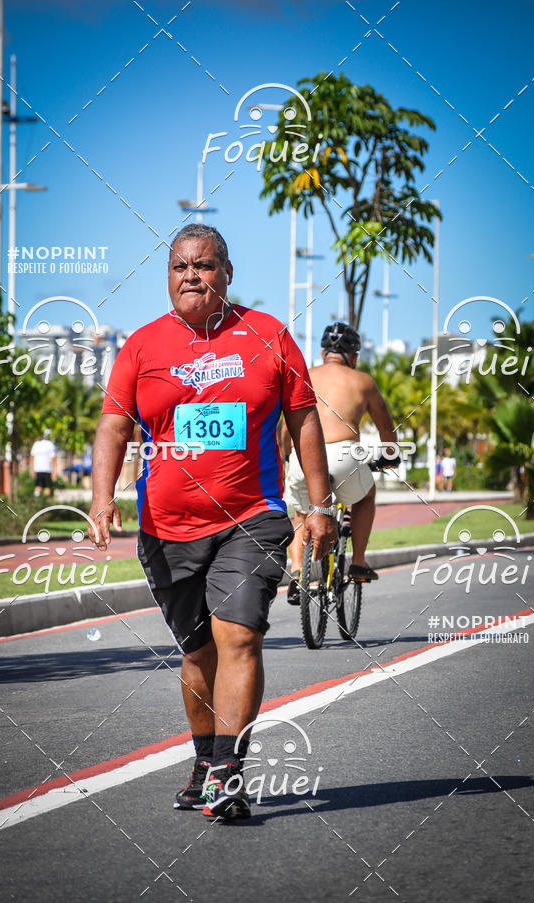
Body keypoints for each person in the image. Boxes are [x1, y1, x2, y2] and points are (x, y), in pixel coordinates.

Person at [87, 224, 336, 820]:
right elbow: (114, 426)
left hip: (252, 517)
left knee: (240, 638)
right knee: (198, 653)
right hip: (166, 527)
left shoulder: (269, 335)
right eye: (179, 267)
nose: (191, 276)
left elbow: (304, 419)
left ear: (228, 272)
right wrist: (101, 499)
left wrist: (321, 506)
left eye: (203, 265)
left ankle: (229, 772)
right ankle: (204, 759)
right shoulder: (143, 346)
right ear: (168, 277)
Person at [284, 322, 398, 603]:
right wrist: (390, 456)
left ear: (323, 353)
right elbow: (386, 427)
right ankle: (358, 562)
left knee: (300, 512)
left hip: (304, 456)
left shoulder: (305, 375)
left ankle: (299, 573)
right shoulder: (362, 381)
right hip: (345, 456)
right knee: (367, 495)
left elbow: (285, 427)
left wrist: (287, 455)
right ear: (354, 356)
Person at [30, 429, 56, 497]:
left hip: (38, 469)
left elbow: (32, 457)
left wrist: (31, 469)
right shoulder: (50, 444)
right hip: (47, 469)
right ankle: (45, 503)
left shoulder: (36, 444)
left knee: (38, 486)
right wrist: (54, 472)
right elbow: (53, 459)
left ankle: (36, 500)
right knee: (47, 487)